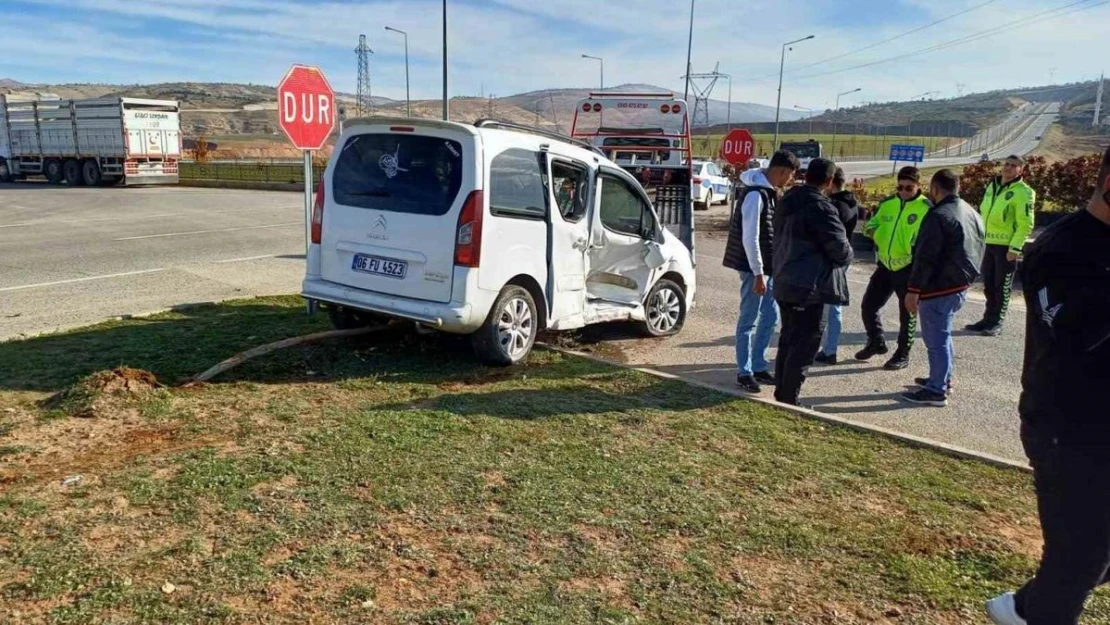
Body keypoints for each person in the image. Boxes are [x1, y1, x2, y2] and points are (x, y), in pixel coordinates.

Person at [985, 145, 1110, 625]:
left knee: (1089, 556)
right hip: (1066, 425)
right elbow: (1075, 333)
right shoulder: (1060, 249)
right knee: (1081, 555)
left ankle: (1025, 607)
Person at [771, 157, 853, 406]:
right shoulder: (822, 208)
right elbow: (840, 250)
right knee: (805, 342)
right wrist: (849, 252)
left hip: (784, 277)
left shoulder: (787, 199)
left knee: (788, 337)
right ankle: (789, 396)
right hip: (809, 286)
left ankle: (782, 390)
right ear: (829, 182)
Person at [900, 170, 985, 407]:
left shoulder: (938, 215)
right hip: (960, 283)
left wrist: (914, 289)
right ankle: (942, 378)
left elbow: (925, 256)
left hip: (939, 286)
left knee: (935, 339)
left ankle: (937, 390)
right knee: (943, 335)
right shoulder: (970, 211)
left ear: (935, 189)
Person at [723, 150, 800, 393]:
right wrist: (758, 273)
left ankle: (758, 365)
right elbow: (750, 237)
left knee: (770, 316)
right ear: (781, 171)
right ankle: (744, 372)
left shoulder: (768, 193)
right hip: (754, 269)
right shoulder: (756, 195)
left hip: (768, 267)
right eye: (789, 176)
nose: (789, 181)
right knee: (749, 319)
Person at [856, 166, 933, 370]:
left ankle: (903, 353)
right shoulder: (888, 204)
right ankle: (876, 341)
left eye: (909, 187)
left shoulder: (926, 208)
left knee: (906, 313)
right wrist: (873, 233)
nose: (904, 191)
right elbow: (870, 225)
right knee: (868, 306)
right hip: (885, 264)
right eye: (900, 187)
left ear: (918, 186)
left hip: (908, 267)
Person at [966, 154, 1036, 337]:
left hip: (1006, 247)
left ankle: (997, 322)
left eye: (1014, 165)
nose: (1008, 168)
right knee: (988, 284)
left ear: (1021, 170)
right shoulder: (992, 186)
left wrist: (1015, 248)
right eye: (1007, 164)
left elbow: (1025, 223)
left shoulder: (1024, 192)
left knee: (1002, 286)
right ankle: (987, 319)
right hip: (988, 243)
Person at [815, 166, 859, 365]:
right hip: (845, 256)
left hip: (831, 258)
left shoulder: (833, 206)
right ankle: (829, 347)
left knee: (827, 305)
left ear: (831, 182)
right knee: (834, 304)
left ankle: (827, 349)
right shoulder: (852, 204)